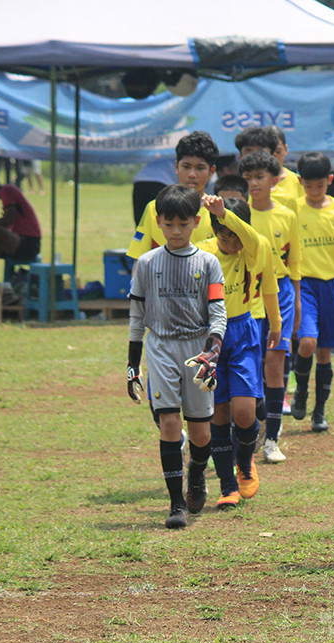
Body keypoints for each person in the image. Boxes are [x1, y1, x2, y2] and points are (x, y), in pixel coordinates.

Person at [126, 185, 227, 529]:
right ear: (158, 223)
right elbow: (136, 317)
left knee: (200, 434)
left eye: (183, 224)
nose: (176, 231)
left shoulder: (209, 263)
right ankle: (176, 504)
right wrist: (131, 364)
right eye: (169, 225)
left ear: (196, 222)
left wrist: (212, 352)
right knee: (169, 423)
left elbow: (218, 314)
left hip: (197, 350)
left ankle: (196, 474)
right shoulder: (146, 263)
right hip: (161, 348)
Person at [195, 195, 281, 508]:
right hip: (211, 337)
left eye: (234, 234)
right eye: (222, 235)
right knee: (218, 412)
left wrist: (276, 325)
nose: (230, 242)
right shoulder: (203, 252)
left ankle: (245, 463)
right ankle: (227, 485)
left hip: (244, 331)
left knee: (244, 412)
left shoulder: (255, 249)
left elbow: (269, 287)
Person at [240, 150, 301, 464]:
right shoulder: (240, 215)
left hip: (283, 296)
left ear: (275, 179)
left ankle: (272, 440)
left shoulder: (288, 215)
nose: (253, 183)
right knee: (253, 367)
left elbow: (294, 265)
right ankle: (256, 427)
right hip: (251, 298)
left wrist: (298, 304)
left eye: (259, 177)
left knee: (275, 364)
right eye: (248, 178)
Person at [290, 152, 334, 432]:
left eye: (320, 186)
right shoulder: (293, 209)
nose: (314, 191)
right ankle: (300, 390)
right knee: (308, 343)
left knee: (325, 352)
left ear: (329, 181)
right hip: (304, 285)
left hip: (332, 285)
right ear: (300, 182)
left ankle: (319, 411)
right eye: (308, 186)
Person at [127, 132, 219, 260]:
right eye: (186, 167)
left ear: (212, 171)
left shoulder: (217, 212)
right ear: (176, 167)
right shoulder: (154, 207)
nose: (192, 174)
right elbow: (139, 258)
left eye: (200, 168)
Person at [234, 126, 299, 212]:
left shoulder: (296, 184)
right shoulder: (233, 192)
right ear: (240, 157)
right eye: (248, 151)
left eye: (260, 151)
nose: (254, 156)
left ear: (272, 155)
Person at [267, 125, 306, 205]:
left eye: (278, 151)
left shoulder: (297, 182)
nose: (274, 156)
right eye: (269, 153)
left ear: (286, 149)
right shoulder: (254, 182)